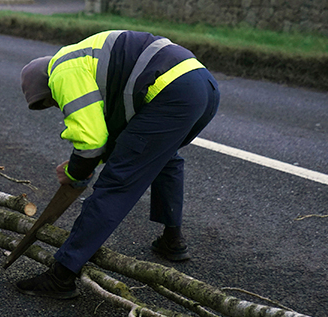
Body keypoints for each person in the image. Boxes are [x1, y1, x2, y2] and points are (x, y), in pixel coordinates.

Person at [16, 30, 220, 299]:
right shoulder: (87, 61)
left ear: (47, 82)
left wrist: (75, 172)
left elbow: (91, 141)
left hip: (171, 92)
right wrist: (86, 162)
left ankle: (61, 276)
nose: (55, 104)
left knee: (117, 183)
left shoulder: (63, 70)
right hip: (203, 84)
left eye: (50, 100)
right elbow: (116, 136)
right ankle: (172, 241)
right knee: (165, 158)